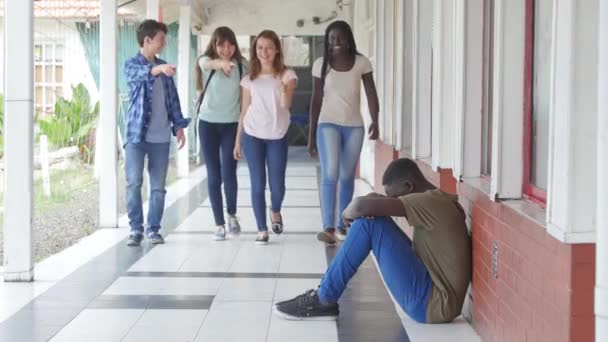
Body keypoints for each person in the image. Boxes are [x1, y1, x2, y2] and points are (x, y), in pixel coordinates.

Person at [273, 158, 472, 324]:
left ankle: (323, 298)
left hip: (432, 304)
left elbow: (359, 207)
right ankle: (324, 294)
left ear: (408, 186)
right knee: (375, 219)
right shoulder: (435, 199)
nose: (394, 201)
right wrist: (373, 202)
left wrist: (344, 214)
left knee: (369, 224)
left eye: (395, 197)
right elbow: (371, 205)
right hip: (435, 294)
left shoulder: (428, 203)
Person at [309, 21, 380, 245]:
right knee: (330, 173)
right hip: (327, 124)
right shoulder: (321, 64)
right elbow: (315, 100)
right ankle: (328, 227)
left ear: (349, 38)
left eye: (340, 38)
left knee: (347, 175)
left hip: (354, 127)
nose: (336, 42)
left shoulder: (362, 63)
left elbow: (371, 93)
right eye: (331, 38)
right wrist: (311, 135)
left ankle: (343, 222)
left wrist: (375, 120)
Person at [123, 20, 191, 246]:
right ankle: (135, 229)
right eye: (161, 38)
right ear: (147, 40)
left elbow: (173, 100)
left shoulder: (164, 68)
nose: (165, 42)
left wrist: (179, 126)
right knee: (133, 183)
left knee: (158, 187)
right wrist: (157, 69)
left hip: (161, 138)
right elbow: (138, 75)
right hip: (136, 137)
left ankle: (153, 229)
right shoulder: (131, 65)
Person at [233, 30, 298, 245]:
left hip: (277, 135)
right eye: (259, 48)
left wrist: (282, 90)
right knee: (257, 183)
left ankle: (275, 210)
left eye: (268, 47)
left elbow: (286, 105)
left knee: (277, 185)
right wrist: (238, 140)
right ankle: (261, 229)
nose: (264, 52)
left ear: (277, 49)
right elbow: (243, 111)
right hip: (252, 135)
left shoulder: (288, 75)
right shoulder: (248, 79)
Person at [195, 27, 248, 241]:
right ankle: (219, 223)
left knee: (229, 172)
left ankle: (232, 214)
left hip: (231, 125)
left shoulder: (243, 65)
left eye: (230, 44)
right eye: (221, 45)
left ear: (235, 45)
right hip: (207, 124)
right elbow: (207, 63)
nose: (226, 49)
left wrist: (240, 138)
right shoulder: (206, 61)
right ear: (214, 45)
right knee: (214, 175)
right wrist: (222, 63)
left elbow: (245, 102)